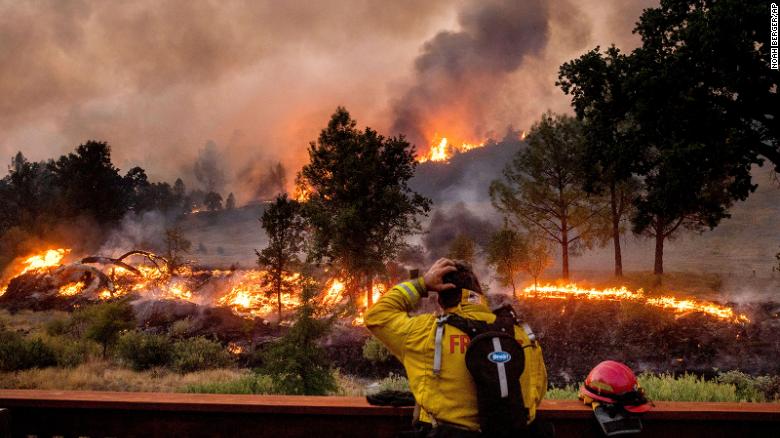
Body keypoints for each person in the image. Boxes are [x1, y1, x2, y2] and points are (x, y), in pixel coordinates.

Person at [365, 258, 547, 437]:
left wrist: (422, 284)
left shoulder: (426, 332)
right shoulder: (521, 334)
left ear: (440, 299)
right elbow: (536, 393)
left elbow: (377, 316)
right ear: (480, 294)